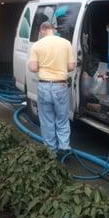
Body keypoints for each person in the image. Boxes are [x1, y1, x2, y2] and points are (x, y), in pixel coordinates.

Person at [28, 22, 76, 155]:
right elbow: (71, 67)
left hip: (44, 86)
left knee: (47, 119)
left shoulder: (37, 45)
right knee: (62, 118)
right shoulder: (66, 43)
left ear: (42, 30)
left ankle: (51, 151)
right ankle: (64, 146)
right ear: (53, 30)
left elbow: (33, 68)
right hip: (60, 85)